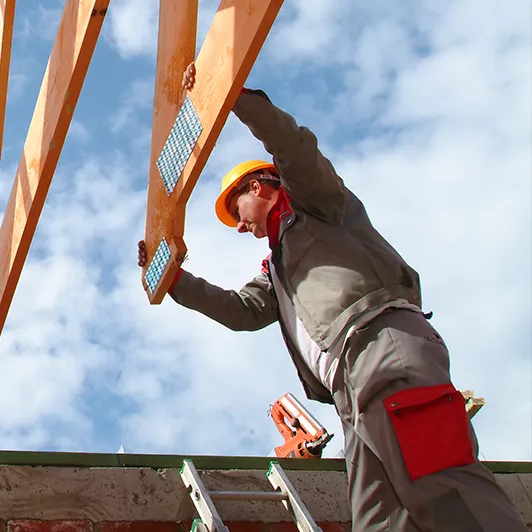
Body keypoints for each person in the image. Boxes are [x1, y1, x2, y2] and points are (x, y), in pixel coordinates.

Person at [138, 63, 526, 532]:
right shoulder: (278, 266)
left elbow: (293, 147)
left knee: (441, 481)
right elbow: (240, 311)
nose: (240, 226)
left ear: (257, 188)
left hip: (380, 346)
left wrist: (233, 96)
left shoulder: (316, 206)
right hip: (349, 386)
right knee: (379, 520)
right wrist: (174, 279)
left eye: (236, 211)